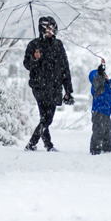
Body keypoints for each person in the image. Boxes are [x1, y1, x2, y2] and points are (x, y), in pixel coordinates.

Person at [23, 16, 74, 151]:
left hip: (55, 86)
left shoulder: (58, 45)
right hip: (39, 86)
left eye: (53, 27)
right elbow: (27, 65)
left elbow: (65, 68)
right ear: (43, 29)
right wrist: (35, 58)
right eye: (48, 27)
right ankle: (35, 144)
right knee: (47, 119)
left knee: (46, 118)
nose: (51, 30)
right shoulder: (34, 45)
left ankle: (45, 144)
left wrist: (68, 90)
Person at [88, 59, 111, 155]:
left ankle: (108, 150)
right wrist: (101, 68)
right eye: (102, 75)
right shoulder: (97, 88)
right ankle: (95, 150)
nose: (105, 75)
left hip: (106, 114)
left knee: (108, 132)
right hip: (98, 113)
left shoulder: (109, 90)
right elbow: (98, 80)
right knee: (98, 131)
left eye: (105, 74)